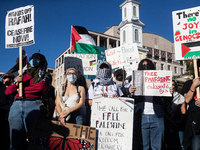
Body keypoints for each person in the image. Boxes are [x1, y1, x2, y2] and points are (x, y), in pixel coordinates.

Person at [6, 53, 52, 150]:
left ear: (42, 61)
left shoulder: (45, 74)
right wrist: (17, 83)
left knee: (35, 140)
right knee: (15, 139)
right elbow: (8, 91)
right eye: (32, 58)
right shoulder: (21, 75)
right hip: (16, 106)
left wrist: (20, 90)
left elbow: (40, 88)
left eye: (37, 59)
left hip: (34, 104)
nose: (33, 60)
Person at [129, 58, 173, 150]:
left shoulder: (159, 80)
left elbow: (168, 101)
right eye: (143, 66)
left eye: (148, 66)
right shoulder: (136, 80)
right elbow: (131, 102)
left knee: (157, 147)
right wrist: (130, 93)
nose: (146, 68)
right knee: (143, 146)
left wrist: (169, 93)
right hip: (141, 117)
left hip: (157, 116)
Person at [181, 59, 200, 150]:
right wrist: (193, 86)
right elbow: (187, 99)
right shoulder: (188, 83)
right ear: (198, 68)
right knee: (196, 147)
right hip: (195, 121)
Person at [164, 80, 186, 150]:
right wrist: (169, 120)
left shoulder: (180, 97)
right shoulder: (163, 97)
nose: (171, 86)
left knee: (180, 144)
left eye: (173, 85)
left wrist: (179, 121)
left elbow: (183, 111)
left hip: (178, 123)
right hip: (167, 122)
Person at [0, 73, 14, 150]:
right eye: (4, 77)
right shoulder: (0, 86)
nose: (5, 79)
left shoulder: (13, 88)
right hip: (1, 111)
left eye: (7, 77)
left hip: (10, 112)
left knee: (7, 132)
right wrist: (1, 74)